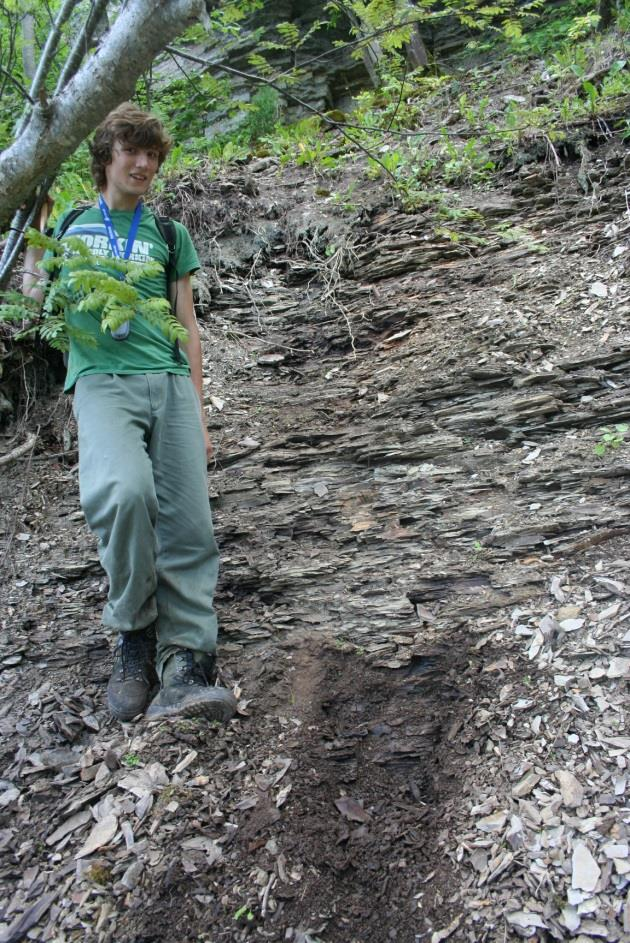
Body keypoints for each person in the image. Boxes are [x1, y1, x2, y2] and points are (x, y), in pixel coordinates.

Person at [22, 103, 237, 724]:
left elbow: (189, 327)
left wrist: (197, 412)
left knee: (191, 524)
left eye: (153, 155)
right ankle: (134, 636)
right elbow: (36, 301)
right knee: (123, 492)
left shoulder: (168, 234)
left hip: (168, 384)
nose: (143, 163)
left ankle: (187, 664)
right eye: (132, 151)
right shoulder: (70, 224)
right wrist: (35, 220)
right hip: (101, 381)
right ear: (106, 157)